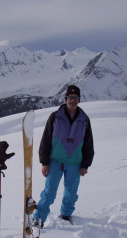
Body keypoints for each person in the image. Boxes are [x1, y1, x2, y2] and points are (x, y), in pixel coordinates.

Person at [33, 85, 94, 228]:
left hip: (75, 163)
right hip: (55, 162)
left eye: (76, 98)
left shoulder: (84, 119)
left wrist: (85, 164)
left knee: (71, 193)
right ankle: (39, 219)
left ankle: (66, 214)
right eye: (70, 98)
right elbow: (46, 140)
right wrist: (44, 162)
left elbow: (88, 143)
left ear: (79, 100)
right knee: (49, 193)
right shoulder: (55, 117)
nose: (73, 100)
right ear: (66, 99)